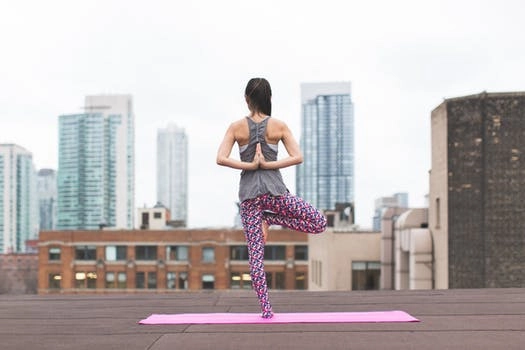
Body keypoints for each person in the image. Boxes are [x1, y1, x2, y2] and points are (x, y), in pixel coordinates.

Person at [216, 77, 327, 319]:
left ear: (246, 99)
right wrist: (268, 164)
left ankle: (267, 310)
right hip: (275, 193)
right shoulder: (278, 126)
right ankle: (272, 218)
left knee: (255, 257)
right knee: (319, 222)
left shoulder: (236, 127)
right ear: (269, 99)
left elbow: (221, 158)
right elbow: (297, 157)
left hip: (250, 200)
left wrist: (252, 164)